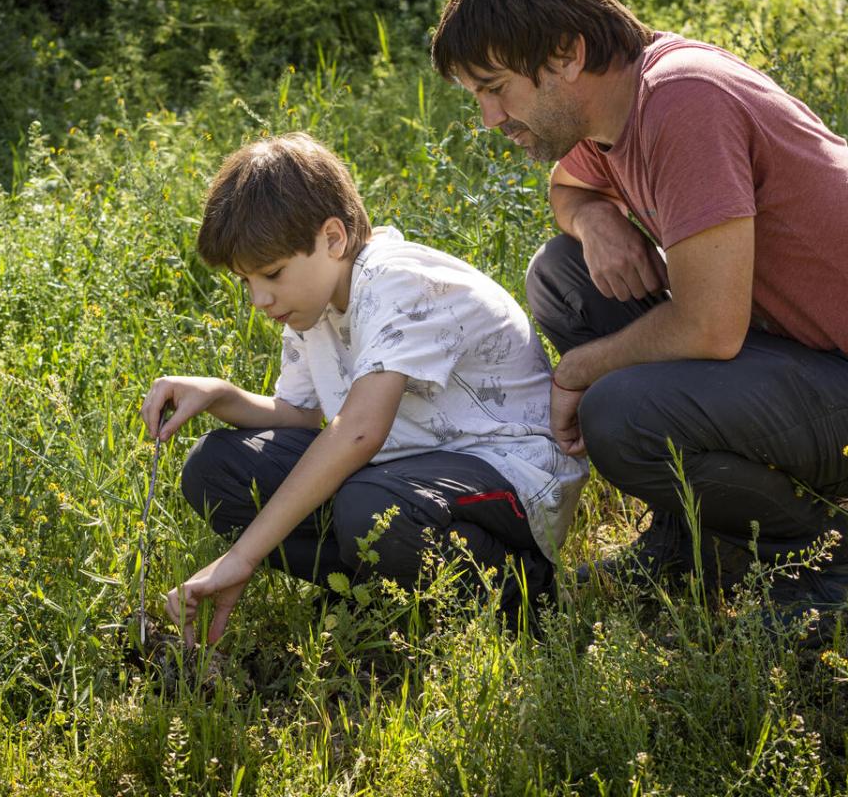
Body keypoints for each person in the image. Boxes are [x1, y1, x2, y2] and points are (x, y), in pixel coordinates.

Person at [430, 0, 848, 635]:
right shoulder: (610, 107)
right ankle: (697, 541)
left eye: (496, 89)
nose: (490, 121)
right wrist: (596, 219)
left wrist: (579, 371)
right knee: (563, 276)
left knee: (619, 412)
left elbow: (709, 328)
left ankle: (828, 556)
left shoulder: (684, 101)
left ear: (566, 54)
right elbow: (569, 193)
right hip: (802, 358)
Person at [141, 132, 587, 645]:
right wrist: (221, 396)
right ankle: (374, 589)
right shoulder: (310, 305)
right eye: (247, 282)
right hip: (408, 467)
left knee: (370, 506)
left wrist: (243, 557)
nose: (259, 299)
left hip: (508, 471)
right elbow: (305, 415)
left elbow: (356, 432)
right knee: (215, 470)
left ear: (333, 238)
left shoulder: (395, 282)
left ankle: (521, 602)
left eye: (271, 273)